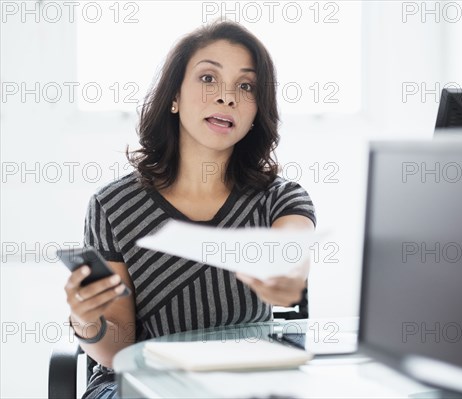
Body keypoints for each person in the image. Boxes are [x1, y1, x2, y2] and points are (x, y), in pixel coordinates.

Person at [63, 20, 316, 398]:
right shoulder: (113, 205)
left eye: (245, 86)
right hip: (140, 383)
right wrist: (87, 320)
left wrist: (286, 277)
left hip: (243, 383)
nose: (226, 97)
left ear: (254, 113)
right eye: (208, 78)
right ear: (174, 97)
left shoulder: (280, 198)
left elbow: (290, 254)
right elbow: (117, 352)